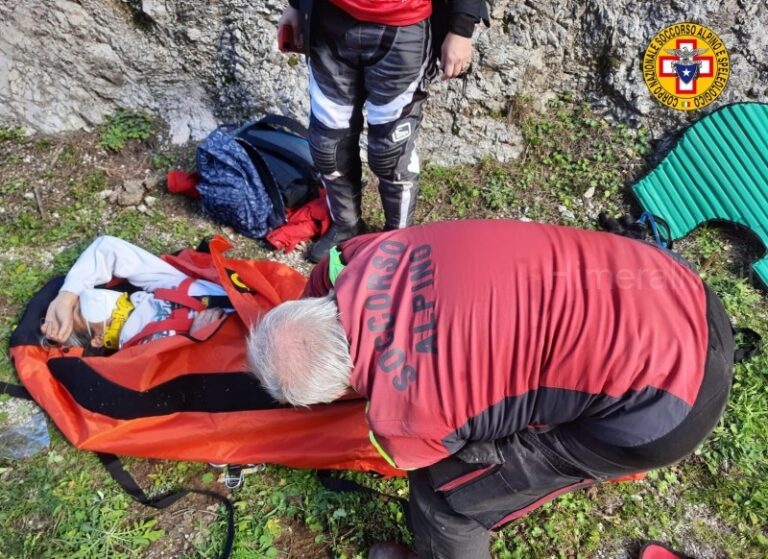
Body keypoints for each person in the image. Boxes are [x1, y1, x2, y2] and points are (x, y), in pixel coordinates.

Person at [246, 219, 735, 559]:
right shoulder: (370, 253)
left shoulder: (402, 414)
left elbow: (409, 455)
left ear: (336, 390)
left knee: (446, 494)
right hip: (676, 286)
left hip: (672, 403)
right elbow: (327, 268)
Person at [277, 0, 489, 262]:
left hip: (404, 29)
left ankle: (397, 241)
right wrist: (296, 6)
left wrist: (462, 28)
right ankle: (346, 227)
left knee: (391, 153)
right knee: (328, 147)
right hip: (328, 23)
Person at [41, 236, 229, 351]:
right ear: (97, 339)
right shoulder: (137, 353)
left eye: (79, 298)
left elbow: (108, 248)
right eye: (78, 310)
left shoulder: (160, 286)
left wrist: (67, 295)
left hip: (251, 308)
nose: (83, 297)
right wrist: (196, 342)